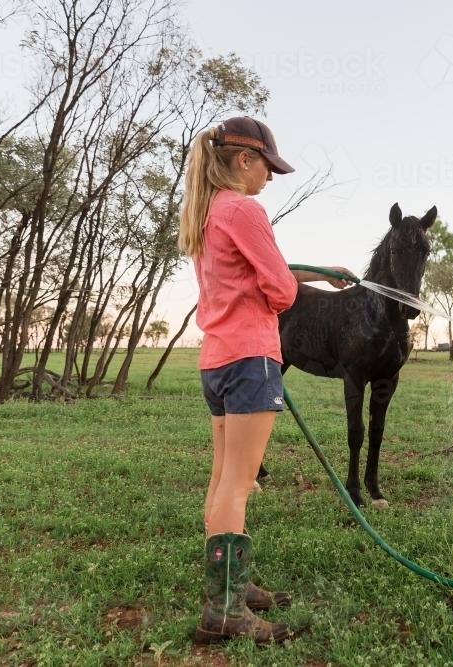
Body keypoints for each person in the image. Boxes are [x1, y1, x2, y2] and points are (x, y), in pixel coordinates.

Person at [178, 116, 355, 644]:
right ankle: (225, 610)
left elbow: (259, 273)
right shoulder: (244, 208)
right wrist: (292, 282)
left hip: (215, 361)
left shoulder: (207, 212)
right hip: (251, 357)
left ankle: (232, 586)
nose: (271, 178)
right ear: (242, 161)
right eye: (268, 167)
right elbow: (278, 291)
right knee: (240, 482)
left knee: (222, 478)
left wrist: (315, 271)